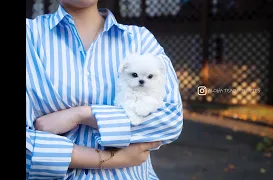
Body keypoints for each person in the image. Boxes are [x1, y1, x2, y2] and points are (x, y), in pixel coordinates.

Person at [26, 0, 183, 179]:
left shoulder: (139, 39)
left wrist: (82, 115)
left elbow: (171, 121)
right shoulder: (30, 36)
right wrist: (114, 158)